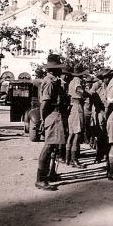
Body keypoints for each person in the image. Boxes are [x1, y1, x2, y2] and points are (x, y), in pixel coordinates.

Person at [35, 54, 66, 191]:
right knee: (48, 147)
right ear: (53, 69)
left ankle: (49, 174)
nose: (61, 70)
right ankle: (40, 179)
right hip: (51, 115)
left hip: (56, 115)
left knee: (53, 147)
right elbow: (44, 103)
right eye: (59, 68)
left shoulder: (55, 81)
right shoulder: (49, 82)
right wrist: (43, 120)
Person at [90, 68, 112, 163]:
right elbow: (90, 95)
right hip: (100, 112)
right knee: (100, 135)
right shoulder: (97, 85)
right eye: (105, 78)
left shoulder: (111, 86)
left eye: (108, 77)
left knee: (108, 136)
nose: (107, 79)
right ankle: (99, 156)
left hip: (109, 112)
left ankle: (108, 156)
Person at [66, 63, 86, 168]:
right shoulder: (78, 81)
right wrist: (85, 93)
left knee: (71, 134)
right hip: (77, 105)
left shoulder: (71, 81)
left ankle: (67, 158)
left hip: (72, 106)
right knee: (77, 134)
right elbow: (79, 90)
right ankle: (74, 159)